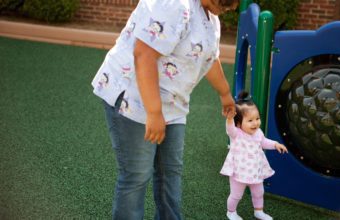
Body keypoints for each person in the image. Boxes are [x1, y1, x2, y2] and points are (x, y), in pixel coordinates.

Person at [91, 0, 239, 219]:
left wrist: (225, 94)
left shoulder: (211, 18)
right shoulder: (175, 4)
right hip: (135, 99)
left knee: (170, 172)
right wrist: (154, 112)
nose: (233, 7)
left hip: (173, 105)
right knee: (137, 176)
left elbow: (209, 58)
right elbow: (143, 54)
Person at [220, 91, 288, 220]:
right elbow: (230, 128)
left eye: (257, 118)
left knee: (259, 192)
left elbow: (263, 142)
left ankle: (258, 211)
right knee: (236, 195)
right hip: (239, 171)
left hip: (255, 170)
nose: (255, 123)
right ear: (239, 123)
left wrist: (275, 144)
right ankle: (231, 212)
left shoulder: (258, 132)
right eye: (250, 120)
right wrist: (229, 119)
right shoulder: (236, 134)